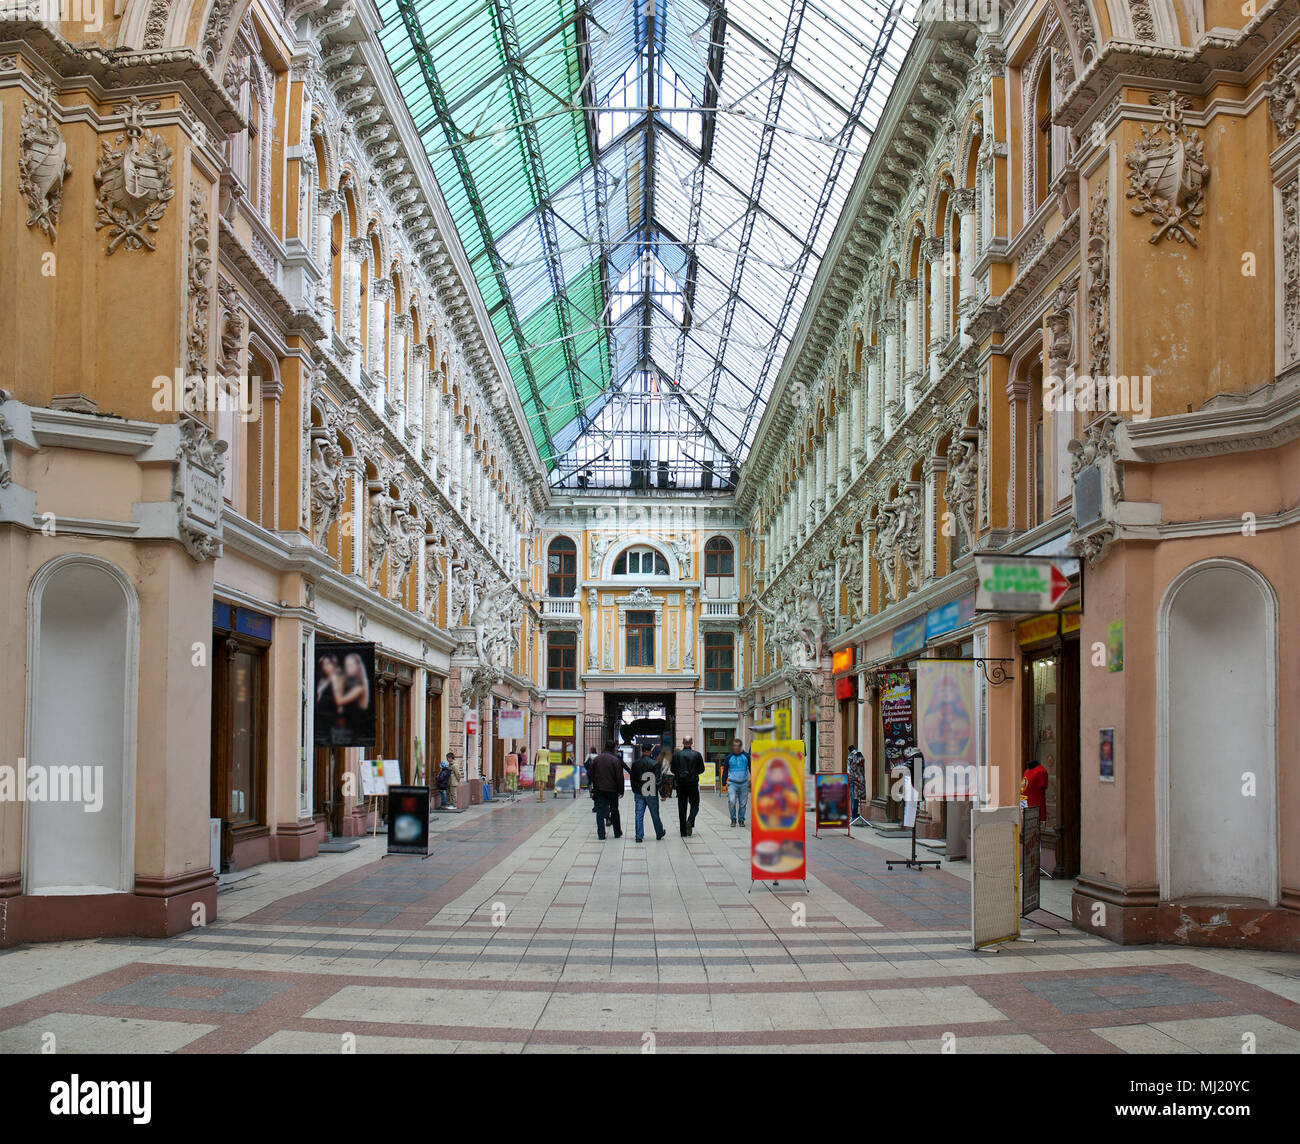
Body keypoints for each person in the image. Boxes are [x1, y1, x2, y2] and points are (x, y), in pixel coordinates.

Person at [588, 740, 627, 840]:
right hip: (612, 790)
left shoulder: (597, 759)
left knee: (600, 811)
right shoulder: (615, 760)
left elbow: (591, 774)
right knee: (614, 810)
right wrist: (621, 790)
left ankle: (601, 834)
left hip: (599, 789)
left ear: (604, 747)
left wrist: (592, 786)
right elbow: (619, 777)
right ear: (613, 748)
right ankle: (617, 832)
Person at [630, 744, 667, 843]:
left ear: (642, 751)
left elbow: (632, 779)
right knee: (655, 814)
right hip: (651, 791)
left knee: (639, 814)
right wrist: (662, 794)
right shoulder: (655, 764)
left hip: (639, 791)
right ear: (650, 751)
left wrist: (635, 790)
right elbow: (658, 780)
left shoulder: (635, 764)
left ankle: (639, 836)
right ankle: (659, 833)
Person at [671, 737, 705, 837]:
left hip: (680, 784)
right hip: (693, 783)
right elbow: (701, 769)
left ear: (683, 743)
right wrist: (694, 773)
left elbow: (673, 769)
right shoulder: (697, 755)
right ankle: (690, 820)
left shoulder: (676, 755)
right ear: (691, 743)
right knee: (695, 804)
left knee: (682, 807)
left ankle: (683, 832)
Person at [724, 737, 750, 828]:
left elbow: (751, 768)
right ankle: (733, 819)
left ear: (740, 747)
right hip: (732, 783)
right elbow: (725, 771)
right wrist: (724, 783)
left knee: (743, 804)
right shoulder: (729, 757)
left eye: (737, 746)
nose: (736, 748)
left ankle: (741, 820)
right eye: (734, 746)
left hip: (744, 783)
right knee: (731, 801)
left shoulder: (746, 756)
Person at [847, 745, 865, 821]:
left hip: (853, 779)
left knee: (853, 797)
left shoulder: (851, 756)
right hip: (860, 779)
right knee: (857, 797)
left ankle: (854, 815)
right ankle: (855, 814)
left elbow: (850, 768)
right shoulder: (860, 755)